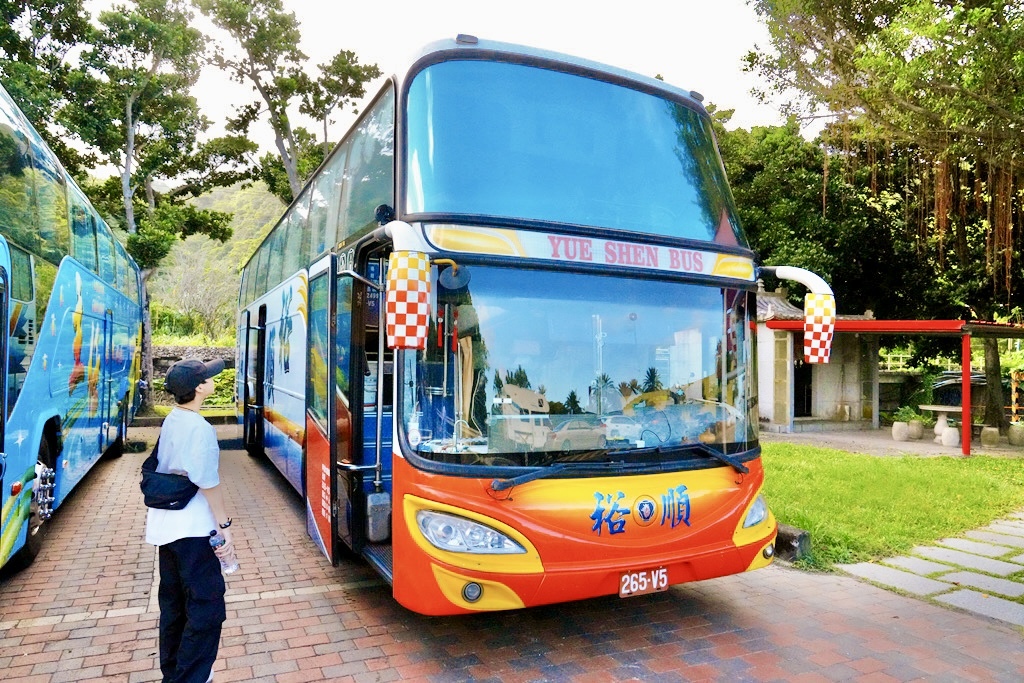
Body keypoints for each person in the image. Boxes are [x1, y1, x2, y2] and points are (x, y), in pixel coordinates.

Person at [145, 358, 235, 683]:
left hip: (167, 528)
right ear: (199, 388)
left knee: (174, 607)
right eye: (208, 377)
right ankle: (193, 676)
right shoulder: (200, 428)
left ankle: (174, 673)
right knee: (206, 608)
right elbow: (208, 482)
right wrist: (224, 527)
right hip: (194, 531)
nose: (212, 379)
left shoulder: (173, 418)